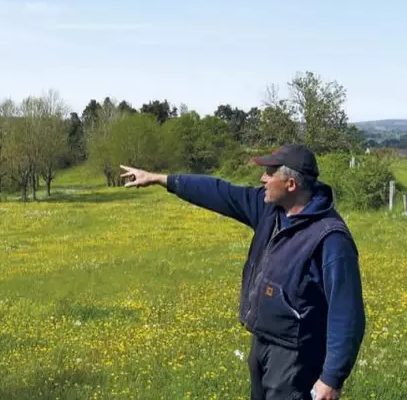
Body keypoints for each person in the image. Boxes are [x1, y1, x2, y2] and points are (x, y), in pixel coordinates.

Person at [119, 144, 366, 400]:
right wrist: (161, 179)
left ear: (291, 184)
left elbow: (347, 313)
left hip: (296, 356)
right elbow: (220, 192)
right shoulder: (270, 210)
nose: (263, 179)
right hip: (263, 342)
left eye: (270, 173)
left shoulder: (330, 238)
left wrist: (332, 378)